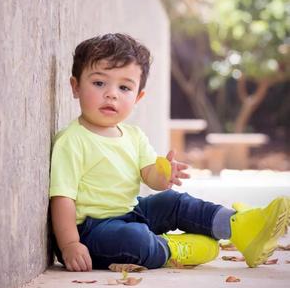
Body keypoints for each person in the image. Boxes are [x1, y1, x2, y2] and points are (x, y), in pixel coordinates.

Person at [49, 33, 289, 272]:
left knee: (174, 201)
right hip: (93, 232)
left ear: (138, 97)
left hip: (131, 211)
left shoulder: (133, 136)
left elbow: (150, 175)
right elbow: (62, 199)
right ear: (76, 86)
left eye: (124, 87)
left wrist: (163, 176)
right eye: (99, 83)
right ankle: (171, 249)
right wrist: (70, 244)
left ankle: (239, 226)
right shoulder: (72, 141)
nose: (112, 93)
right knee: (136, 239)